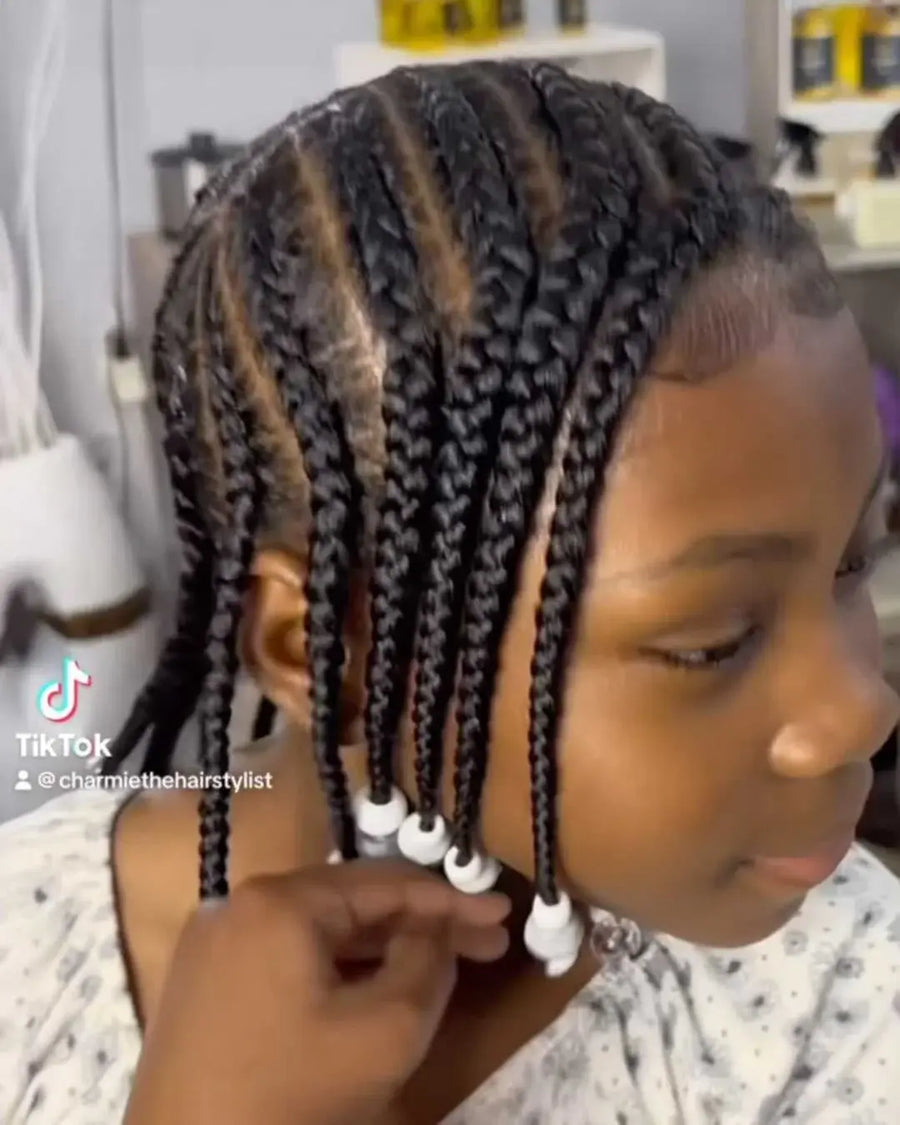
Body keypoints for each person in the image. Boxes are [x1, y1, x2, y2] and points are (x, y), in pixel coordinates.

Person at [1, 60, 900, 1123]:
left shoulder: (838, 988)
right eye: (710, 640)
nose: (864, 708)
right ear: (318, 654)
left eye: (854, 559)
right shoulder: (26, 951)